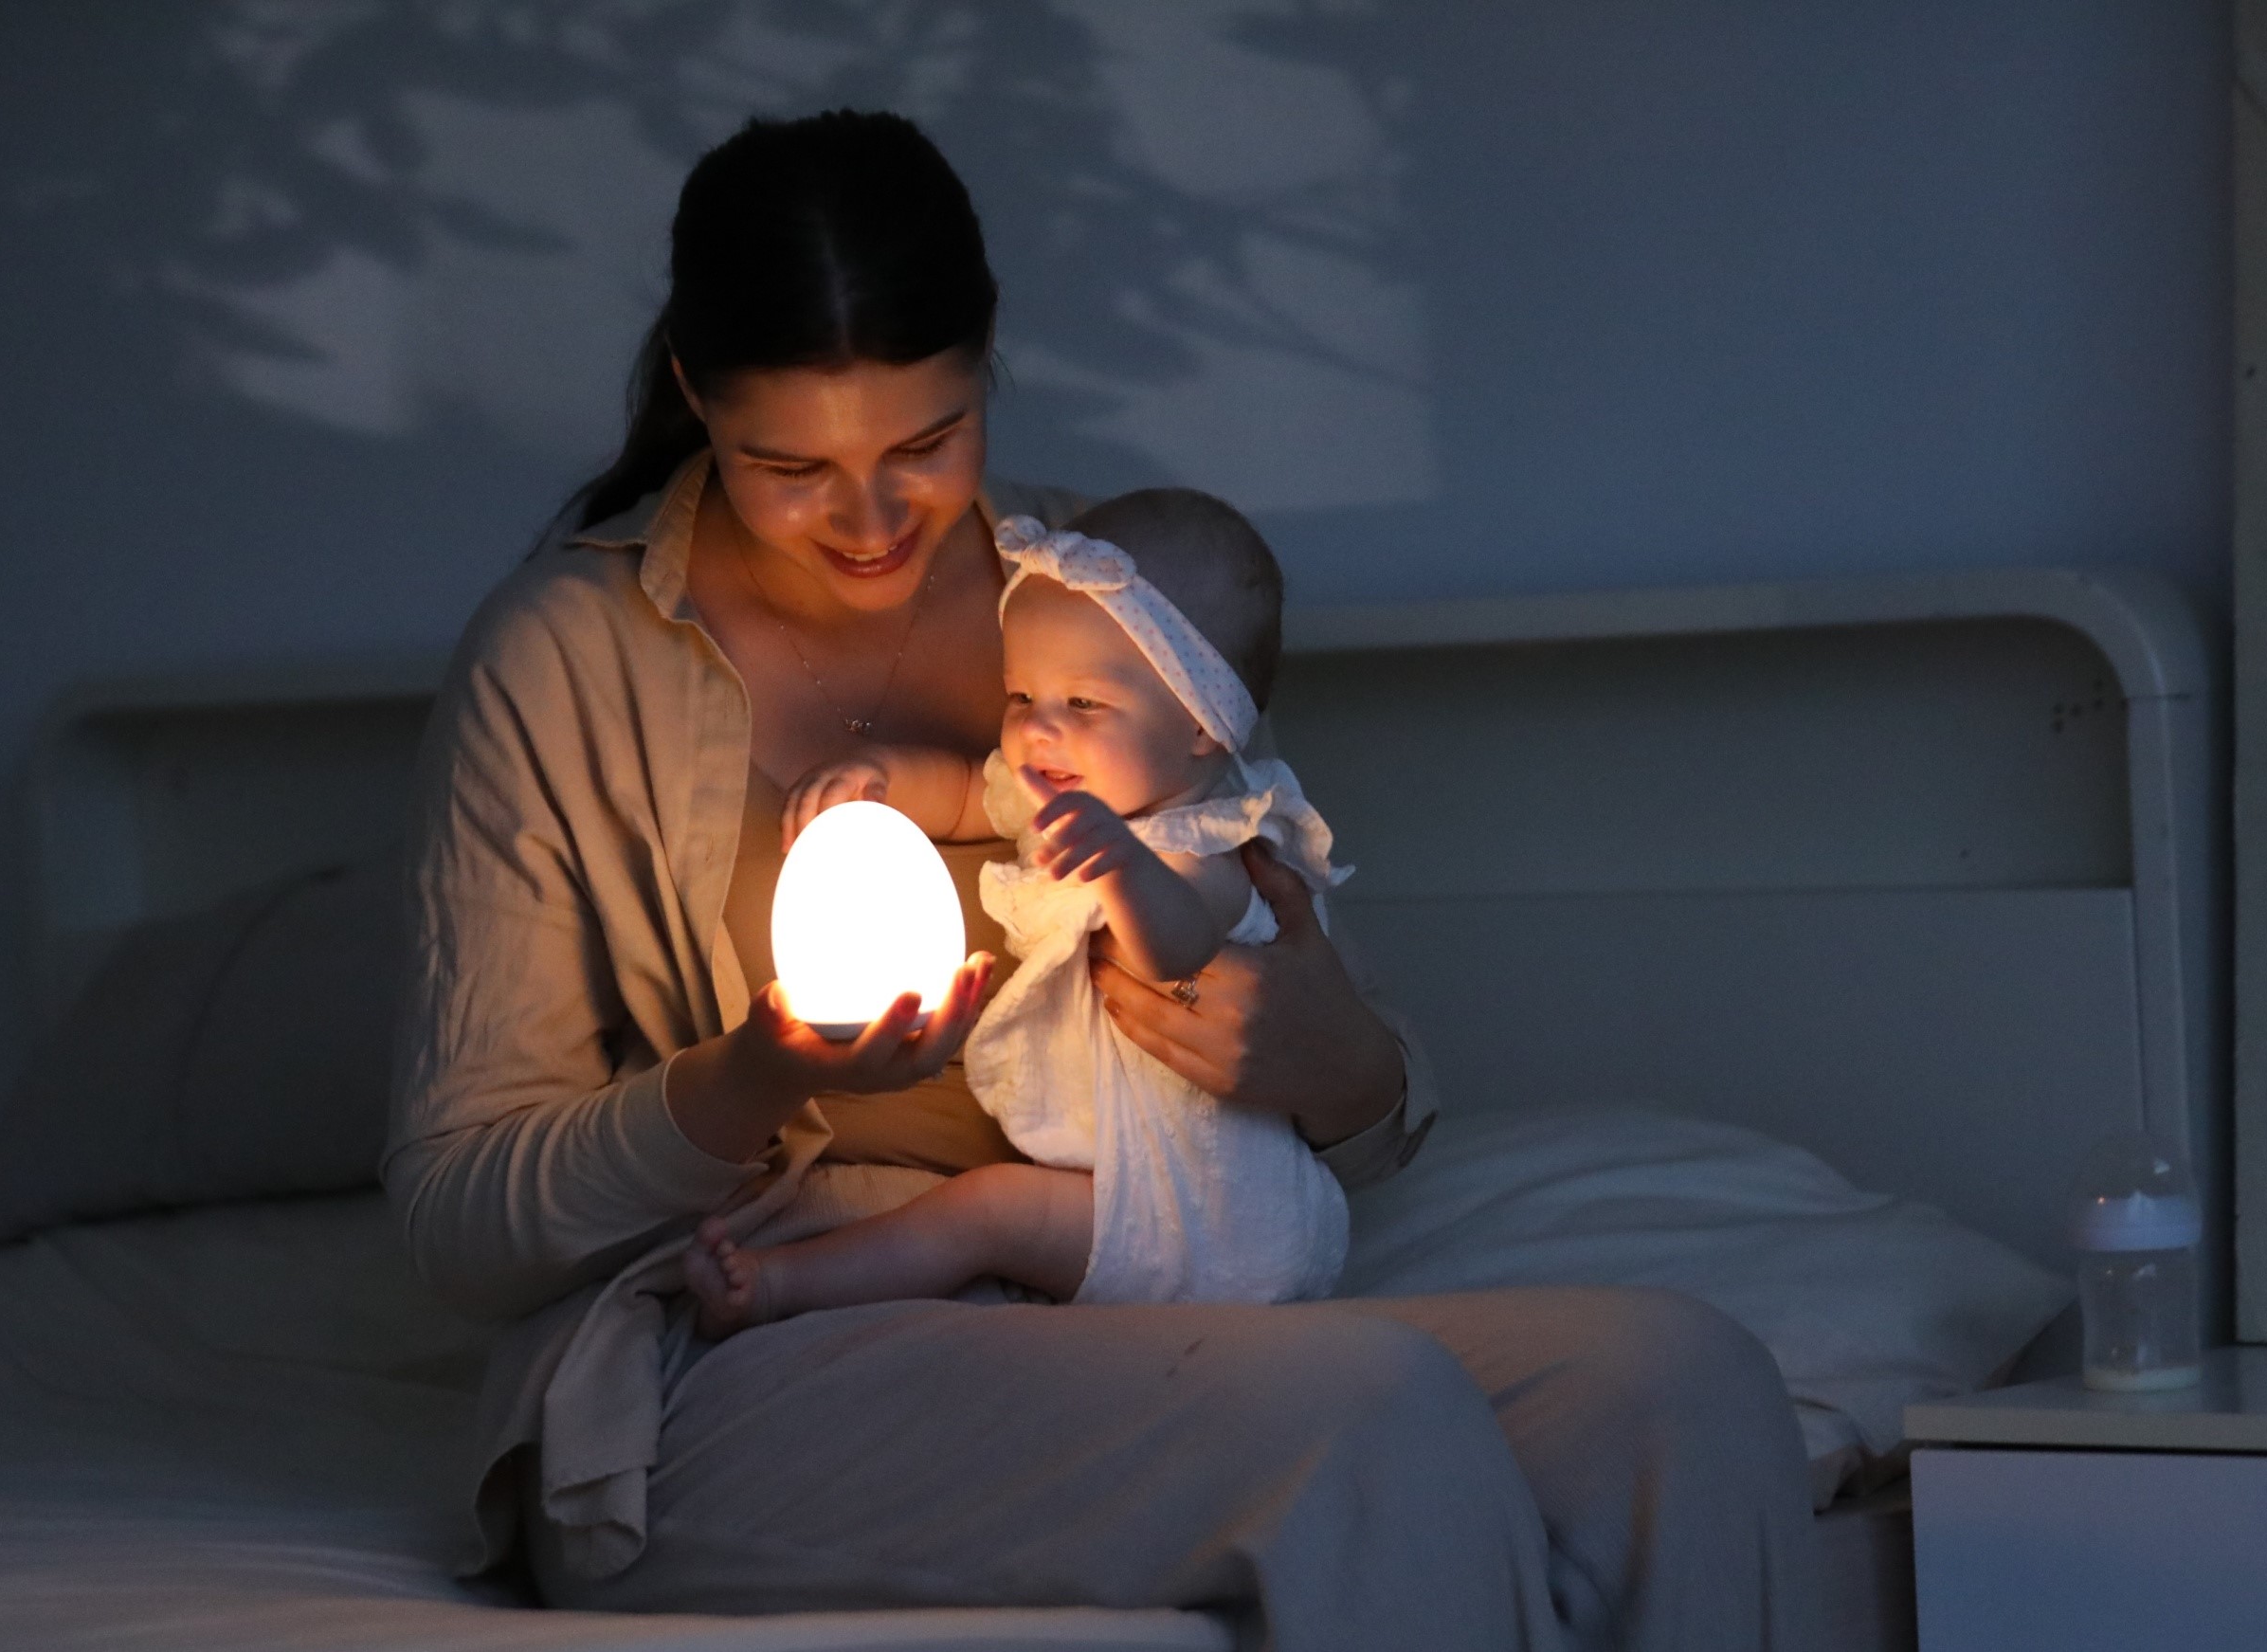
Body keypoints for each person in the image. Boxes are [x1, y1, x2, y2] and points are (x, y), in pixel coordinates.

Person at [386, 107, 1815, 1650]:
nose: (867, 522)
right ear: (692, 395)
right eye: (787, 466)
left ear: (988, 366)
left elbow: (1347, 1059)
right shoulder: (561, 662)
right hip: (769, 1331)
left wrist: (1340, 1065)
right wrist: (745, 1077)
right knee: (1361, 1410)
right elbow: (464, 1221)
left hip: (1130, 1272)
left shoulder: (1096, 594)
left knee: (1681, 1384)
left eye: (924, 446)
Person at [682, 488, 1355, 1335]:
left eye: (1082, 704)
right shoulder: (1071, 791)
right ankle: (773, 1289)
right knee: (986, 1212)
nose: (1038, 730)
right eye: (1020, 696)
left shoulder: (1206, 844)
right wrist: (884, 778)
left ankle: (779, 1285)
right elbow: (970, 792)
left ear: (1202, 729)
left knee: (983, 1216)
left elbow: (1181, 950)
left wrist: (1122, 867)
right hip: (1122, 1180)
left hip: (1213, 1209)